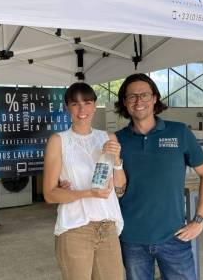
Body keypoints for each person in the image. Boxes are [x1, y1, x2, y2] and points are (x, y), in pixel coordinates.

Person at [114, 73, 203, 280]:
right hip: (132, 239)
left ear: (154, 98)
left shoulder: (179, 132)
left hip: (174, 237)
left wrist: (199, 219)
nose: (138, 101)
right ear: (125, 103)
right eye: (132, 97)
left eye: (144, 95)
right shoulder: (117, 140)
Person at [43, 82, 127, 280]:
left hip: (108, 227)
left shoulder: (108, 137)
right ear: (67, 108)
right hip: (75, 229)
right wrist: (88, 193)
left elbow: (120, 189)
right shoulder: (59, 140)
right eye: (75, 104)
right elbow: (49, 194)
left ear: (95, 105)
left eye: (87, 103)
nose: (82, 110)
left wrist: (117, 161)